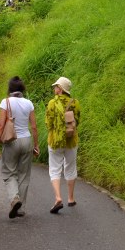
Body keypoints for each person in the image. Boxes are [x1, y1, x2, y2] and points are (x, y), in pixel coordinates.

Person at [0, 76, 40, 219]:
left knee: (9, 172)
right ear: (22, 89)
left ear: (10, 88)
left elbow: (1, 125)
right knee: (24, 175)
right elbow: (34, 127)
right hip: (26, 140)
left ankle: (14, 199)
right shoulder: (29, 103)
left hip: (11, 141)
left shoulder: (5, 102)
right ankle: (21, 208)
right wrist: (36, 145)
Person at [45, 76, 80, 214]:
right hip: (71, 140)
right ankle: (71, 198)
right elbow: (77, 121)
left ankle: (58, 198)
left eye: (56, 86)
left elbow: (48, 123)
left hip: (55, 141)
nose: (54, 88)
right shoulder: (75, 103)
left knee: (55, 169)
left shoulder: (52, 103)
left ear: (60, 89)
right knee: (70, 168)